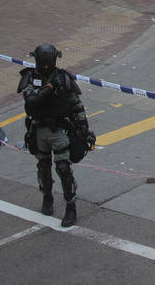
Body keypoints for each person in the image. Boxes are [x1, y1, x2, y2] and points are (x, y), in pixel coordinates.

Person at [18, 43, 94, 228]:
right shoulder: (29, 76)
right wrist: (51, 87)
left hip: (59, 129)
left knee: (63, 168)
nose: (45, 65)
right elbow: (31, 99)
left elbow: (76, 103)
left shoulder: (63, 77)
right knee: (43, 166)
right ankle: (47, 196)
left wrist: (83, 125)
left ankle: (70, 206)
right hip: (38, 128)